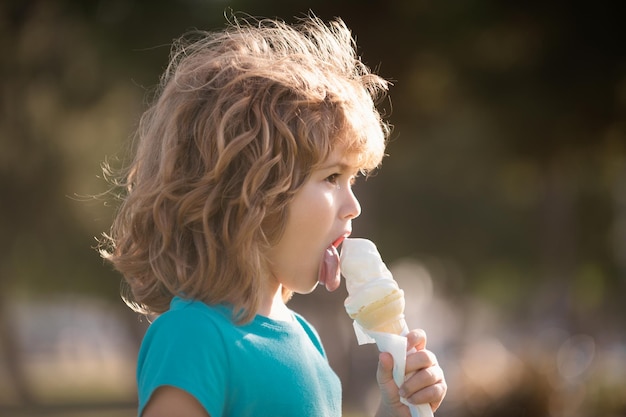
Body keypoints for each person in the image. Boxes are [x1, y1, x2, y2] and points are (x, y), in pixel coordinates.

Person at [101, 14, 446, 417]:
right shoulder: (194, 338)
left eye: (353, 179)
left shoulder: (305, 339)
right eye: (332, 176)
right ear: (253, 194)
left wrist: (397, 411)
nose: (354, 206)